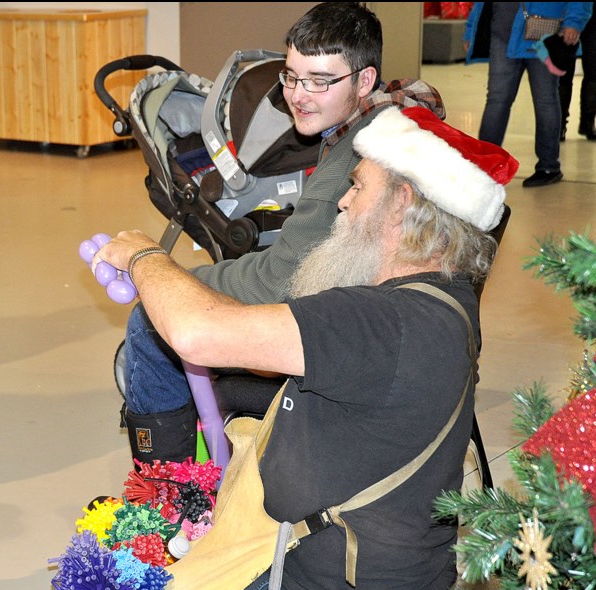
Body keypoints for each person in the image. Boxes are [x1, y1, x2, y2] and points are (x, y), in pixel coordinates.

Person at [91, 105, 519, 590]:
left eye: (357, 187)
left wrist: (145, 257)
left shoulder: (378, 320)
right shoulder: (447, 300)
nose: (342, 199)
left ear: (401, 205)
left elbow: (198, 332)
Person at [118, 2, 445, 467]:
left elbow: (278, 281)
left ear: (365, 80)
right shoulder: (396, 119)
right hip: (390, 327)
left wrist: (166, 275)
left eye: (319, 80)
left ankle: (169, 496)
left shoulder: (351, 160)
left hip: (342, 347)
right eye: (291, 76)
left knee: (150, 322)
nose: (299, 95)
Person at [464, 2, 592, 187]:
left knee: (545, 100)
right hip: (503, 34)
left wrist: (573, 22)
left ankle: (549, 167)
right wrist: (471, 29)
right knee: (497, 100)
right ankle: (484, 165)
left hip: (543, 34)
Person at [560, 1, 596, 141]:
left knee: (595, 71)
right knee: (564, 71)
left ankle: (588, 123)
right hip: (569, 9)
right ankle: (559, 124)